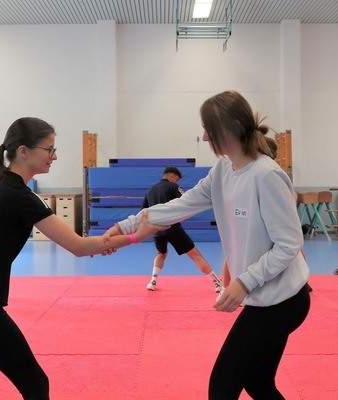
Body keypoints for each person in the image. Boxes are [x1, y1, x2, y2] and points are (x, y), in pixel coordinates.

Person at [0, 117, 162, 399]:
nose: (54, 155)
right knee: (36, 385)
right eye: (49, 149)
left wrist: (105, 241)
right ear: (24, 151)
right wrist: (139, 235)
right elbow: (78, 246)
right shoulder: (18, 196)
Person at [105, 91, 311, 399]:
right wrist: (128, 224)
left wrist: (243, 283)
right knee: (258, 383)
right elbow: (183, 204)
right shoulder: (224, 170)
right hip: (265, 297)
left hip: (284, 301)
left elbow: (289, 244)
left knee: (222, 387)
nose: (203, 136)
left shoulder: (266, 175)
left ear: (229, 128)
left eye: (208, 129)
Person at [140, 166, 223, 293]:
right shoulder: (173, 187)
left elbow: (144, 211)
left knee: (161, 254)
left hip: (156, 229)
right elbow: (185, 201)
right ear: (172, 177)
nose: (177, 182)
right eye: (177, 180)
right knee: (195, 255)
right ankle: (217, 283)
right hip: (172, 228)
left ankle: (153, 281)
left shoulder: (150, 190)